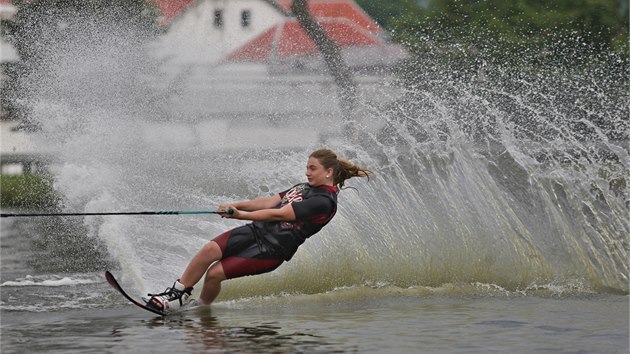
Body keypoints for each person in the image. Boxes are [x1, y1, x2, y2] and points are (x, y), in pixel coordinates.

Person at [145, 148, 372, 312]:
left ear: (329, 172)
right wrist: (237, 205)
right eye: (307, 167)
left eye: (312, 168)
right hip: (256, 231)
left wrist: (239, 215)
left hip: (271, 250)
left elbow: (280, 214)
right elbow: (270, 202)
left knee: (214, 274)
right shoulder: (304, 187)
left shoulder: (325, 201)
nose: (307, 172)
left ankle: (200, 308)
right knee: (208, 251)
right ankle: (177, 294)